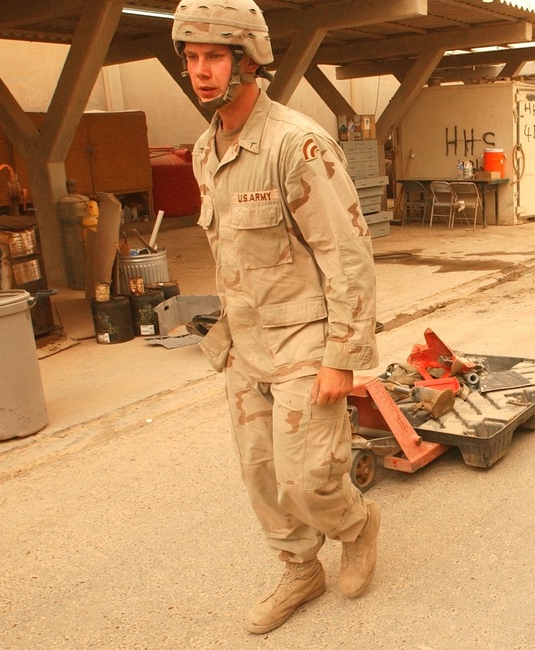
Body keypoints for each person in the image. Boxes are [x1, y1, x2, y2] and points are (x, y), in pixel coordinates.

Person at [171, 0, 380, 634]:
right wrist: (230, 341)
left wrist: (342, 357)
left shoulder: (297, 144)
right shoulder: (208, 149)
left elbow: (346, 257)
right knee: (260, 473)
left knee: (306, 474)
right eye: (192, 57)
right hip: (247, 342)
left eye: (215, 56)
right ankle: (299, 570)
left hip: (304, 339)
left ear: (248, 61)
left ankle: (357, 524)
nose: (201, 70)